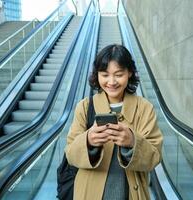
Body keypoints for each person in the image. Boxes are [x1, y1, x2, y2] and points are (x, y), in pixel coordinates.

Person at [65, 44, 163, 200]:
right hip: (89, 193)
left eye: (118, 74)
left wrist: (132, 142)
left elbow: (154, 157)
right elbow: (70, 154)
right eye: (104, 75)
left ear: (130, 73)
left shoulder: (144, 108)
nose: (111, 81)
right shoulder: (85, 106)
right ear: (97, 75)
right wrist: (88, 141)